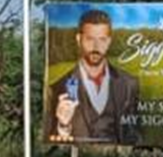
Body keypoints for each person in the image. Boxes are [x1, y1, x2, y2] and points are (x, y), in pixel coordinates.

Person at [45, 9, 141, 145]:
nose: (96, 46)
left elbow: (136, 134)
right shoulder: (57, 88)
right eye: (90, 39)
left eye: (102, 39)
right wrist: (63, 126)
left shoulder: (129, 84)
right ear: (79, 39)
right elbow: (52, 140)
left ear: (109, 41)